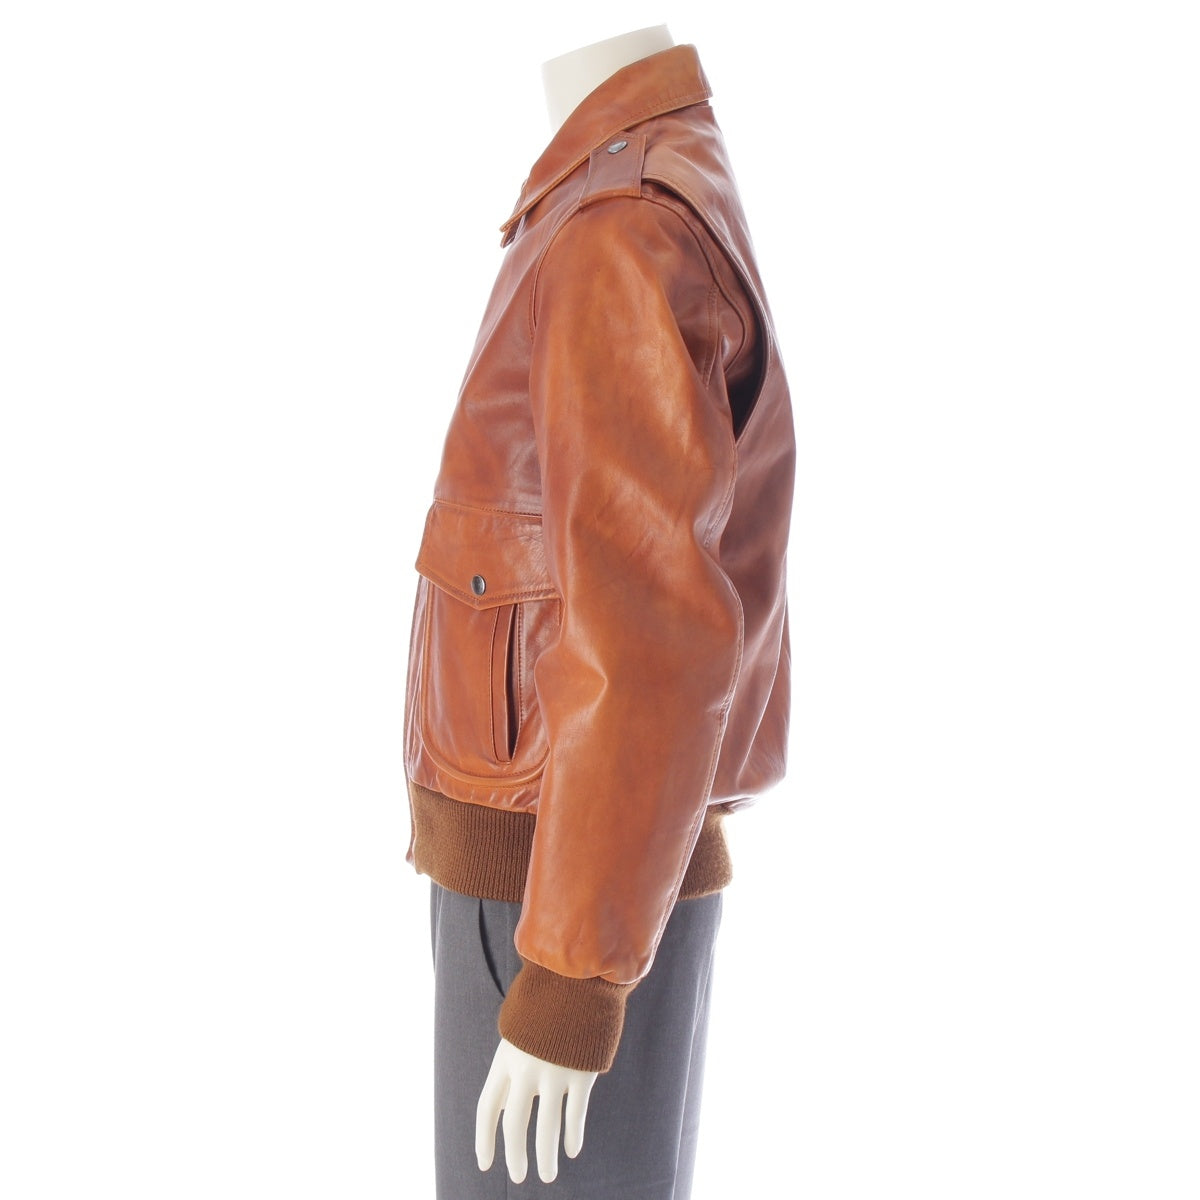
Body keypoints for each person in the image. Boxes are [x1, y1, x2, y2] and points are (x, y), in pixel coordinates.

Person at [403, 25, 796, 1197]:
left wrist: (569, 982)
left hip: (554, 891)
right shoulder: (637, 182)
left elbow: (648, 635)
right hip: (585, 874)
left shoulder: (617, 227)